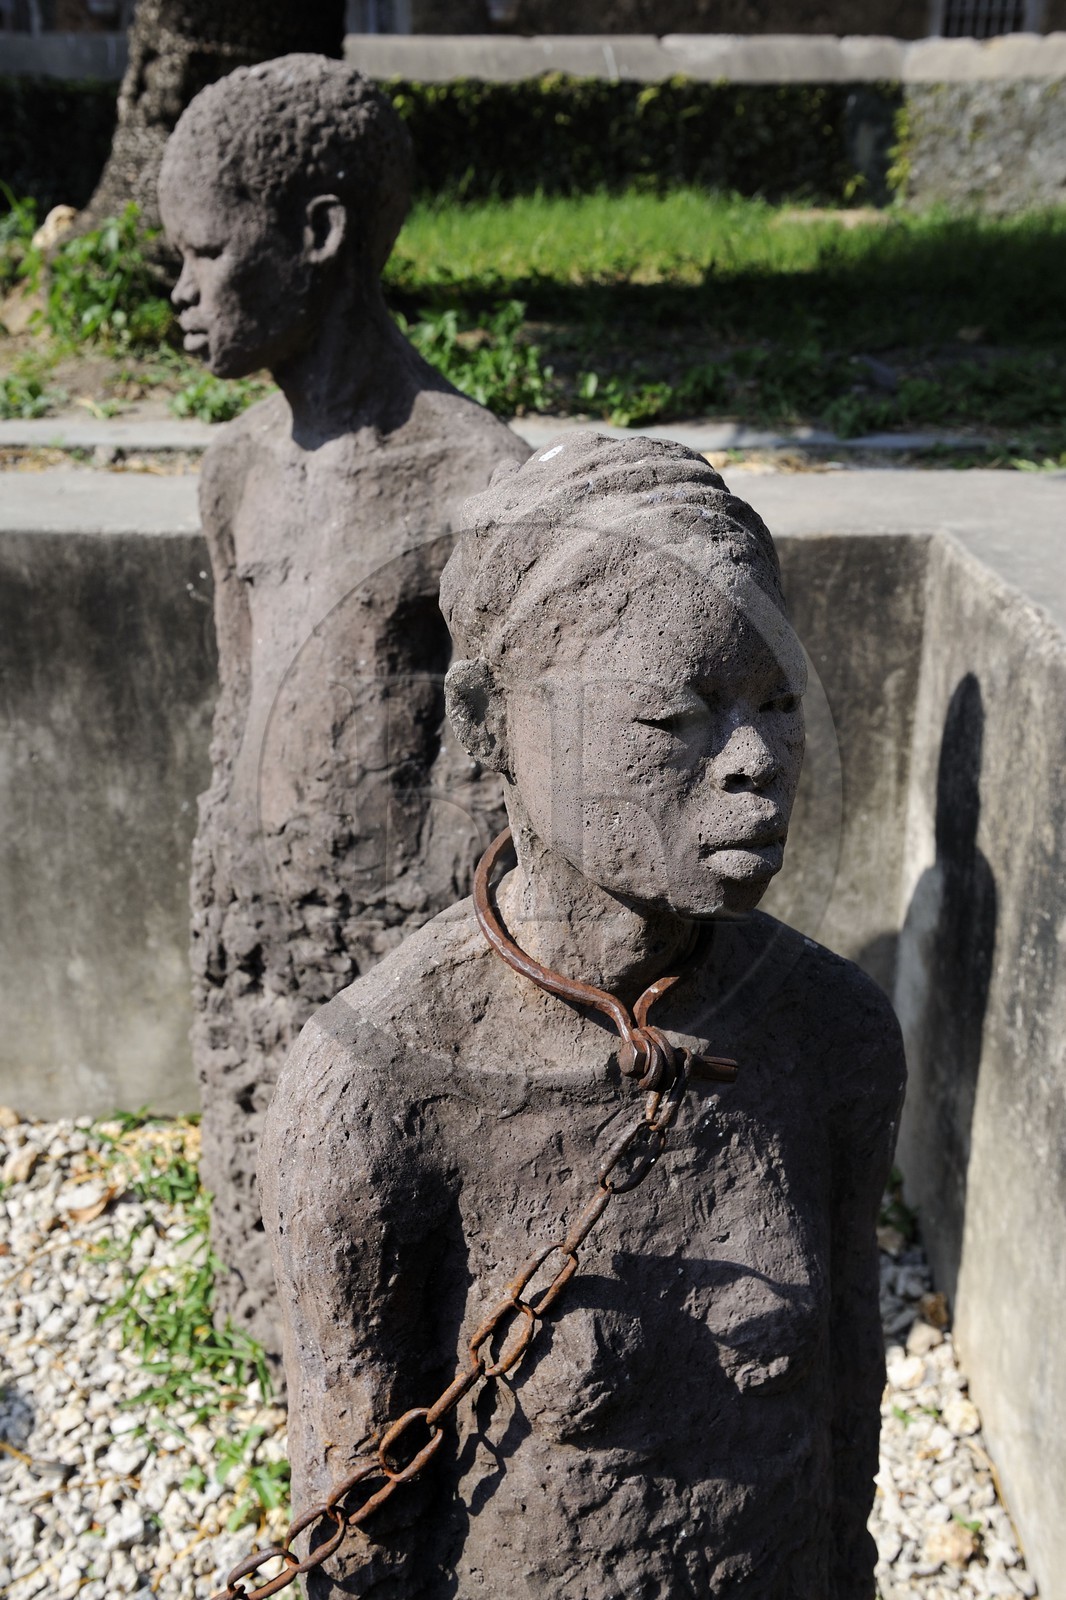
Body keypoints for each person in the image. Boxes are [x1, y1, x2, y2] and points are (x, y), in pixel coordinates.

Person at [260, 432, 906, 1598]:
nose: (755, 760)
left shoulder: (834, 1036)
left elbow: (844, 1431)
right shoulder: (376, 1092)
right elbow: (354, 1537)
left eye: (778, 703)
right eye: (679, 718)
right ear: (494, 727)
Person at [158, 55, 529, 1350]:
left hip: (400, 947)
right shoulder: (233, 473)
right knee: (275, 1208)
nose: (181, 293)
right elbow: (234, 700)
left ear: (315, 236)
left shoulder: (473, 476)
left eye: (206, 254)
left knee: (392, 1235)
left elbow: (492, 768)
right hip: (260, 930)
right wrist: (224, 900)